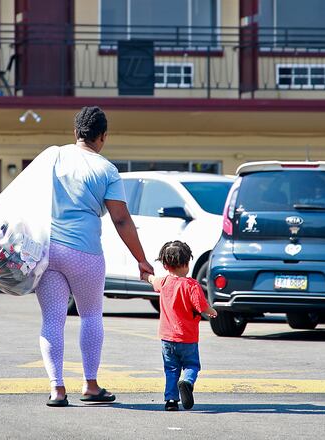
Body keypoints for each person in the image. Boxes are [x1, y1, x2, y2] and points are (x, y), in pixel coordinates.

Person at [37, 106, 154, 407]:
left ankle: (56, 390)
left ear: (75, 133)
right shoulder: (106, 170)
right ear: (103, 137)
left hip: (48, 250)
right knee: (90, 316)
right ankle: (91, 386)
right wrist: (141, 259)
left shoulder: (52, 157)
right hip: (84, 252)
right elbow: (121, 220)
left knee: (53, 319)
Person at [142, 240, 218, 411]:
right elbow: (201, 306)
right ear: (186, 263)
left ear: (165, 265)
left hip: (167, 339)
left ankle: (170, 400)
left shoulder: (163, 282)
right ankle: (187, 382)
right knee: (192, 365)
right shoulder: (191, 285)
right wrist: (212, 311)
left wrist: (145, 275)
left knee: (171, 369)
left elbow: (151, 279)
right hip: (187, 338)